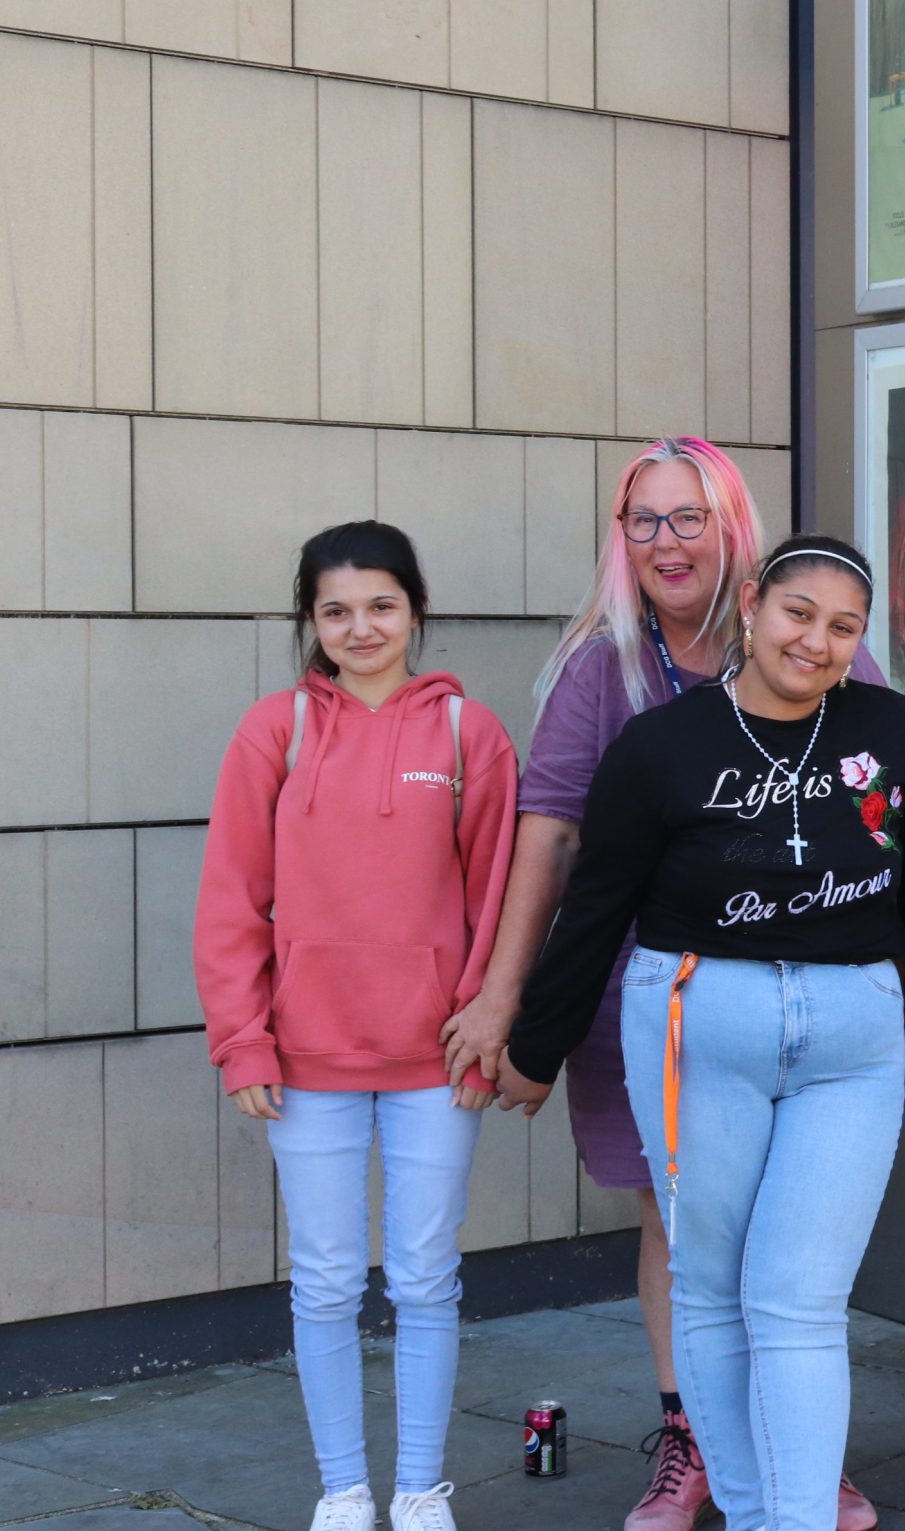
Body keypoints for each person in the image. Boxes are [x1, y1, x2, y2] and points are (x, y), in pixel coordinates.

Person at [440, 437, 886, 1531]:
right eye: (643, 520)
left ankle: (792, 1448)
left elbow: (893, 815)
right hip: (645, 998)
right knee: (683, 1228)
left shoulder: (812, 639)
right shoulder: (608, 666)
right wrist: (505, 1000)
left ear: (732, 527)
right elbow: (547, 836)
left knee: (786, 1241)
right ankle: (697, 1441)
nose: (665, 542)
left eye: (688, 517)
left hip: (811, 997)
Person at [494, 536, 905, 1531]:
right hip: (695, 1022)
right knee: (711, 1285)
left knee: (799, 1300)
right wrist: (535, 1045)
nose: (818, 641)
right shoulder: (661, 747)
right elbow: (597, 907)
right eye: (800, 613)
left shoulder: (892, 733)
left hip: (850, 1036)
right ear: (752, 606)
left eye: (844, 626)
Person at [195, 522, 519, 1531]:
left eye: (381, 605)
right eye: (336, 610)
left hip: (437, 1060)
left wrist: (484, 1029)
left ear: (415, 609)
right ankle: (343, 1490)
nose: (360, 627)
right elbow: (231, 900)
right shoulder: (274, 731)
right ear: (312, 622)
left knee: (427, 1275)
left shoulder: (471, 736)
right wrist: (242, 1037)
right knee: (327, 1279)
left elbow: (501, 894)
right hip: (308, 1059)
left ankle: (419, 1488)